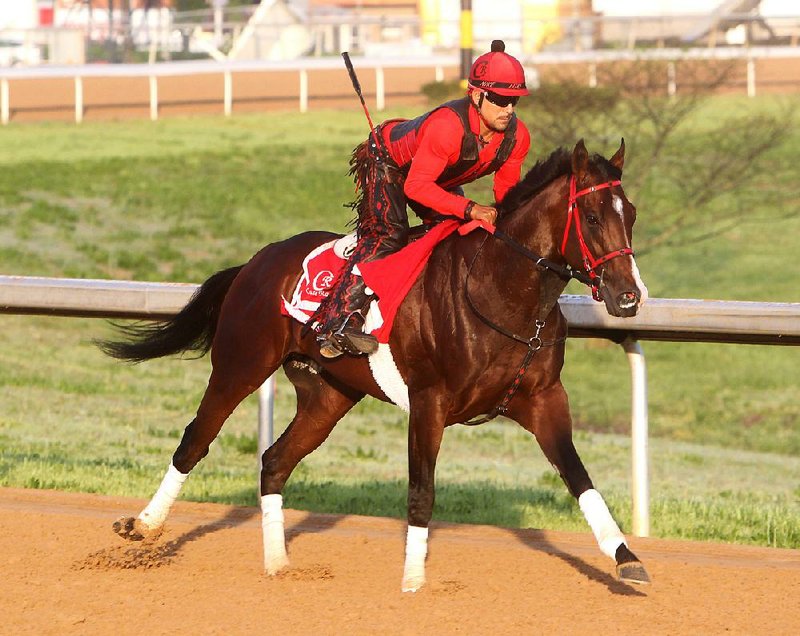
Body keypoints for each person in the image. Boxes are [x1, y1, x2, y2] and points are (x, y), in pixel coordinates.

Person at [313, 40, 531, 359]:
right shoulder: (446, 127)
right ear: (476, 95)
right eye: (499, 99)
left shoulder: (517, 137)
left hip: (433, 176)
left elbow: (507, 197)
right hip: (388, 163)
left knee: (453, 234)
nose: (508, 109)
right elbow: (416, 187)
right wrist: (470, 208)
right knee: (388, 234)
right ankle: (338, 322)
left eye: (514, 100)